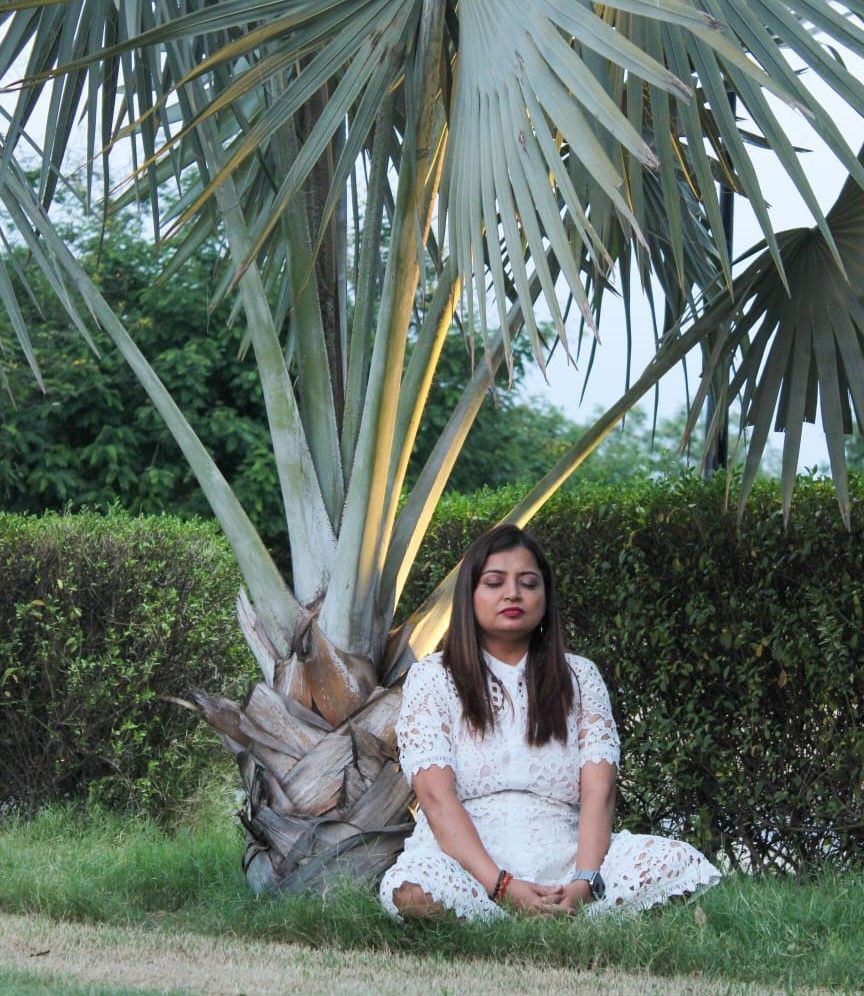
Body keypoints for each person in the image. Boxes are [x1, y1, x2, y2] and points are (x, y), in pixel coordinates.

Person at [379, 524, 721, 921]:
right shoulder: (433, 677)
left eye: (528, 583)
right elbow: (436, 798)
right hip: (468, 864)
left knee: (680, 864)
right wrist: (501, 886)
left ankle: (569, 908)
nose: (513, 594)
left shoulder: (580, 676)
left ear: (545, 596)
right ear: (469, 594)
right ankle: (504, 911)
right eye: (494, 582)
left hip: (568, 858)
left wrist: (585, 880)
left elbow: (600, 792)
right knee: (413, 891)